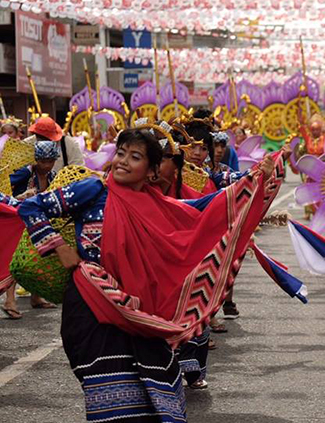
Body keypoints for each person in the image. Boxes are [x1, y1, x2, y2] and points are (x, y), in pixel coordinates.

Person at [11, 126, 282, 421]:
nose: (124, 161)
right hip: (91, 307)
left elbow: (205, 209)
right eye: (122, 153)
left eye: (135, 156)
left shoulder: (158, 205)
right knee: (110, 404)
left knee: (147, 406)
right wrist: (58, 247)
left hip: (138, 311)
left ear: (152, 171)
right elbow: (32, 207)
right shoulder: (93, 189)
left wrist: (255, 179)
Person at [3, 141, 61, 318]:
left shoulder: (53, 176)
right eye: (42, 161)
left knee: (41, 255)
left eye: (50, 161)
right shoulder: (23, 173)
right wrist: (20, 197)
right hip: (18, 220)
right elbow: (3, 188)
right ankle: (10, 300)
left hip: (38, 221)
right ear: (35, 160)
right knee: (15, 258)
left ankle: (36, 297)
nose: (46, 165)